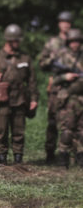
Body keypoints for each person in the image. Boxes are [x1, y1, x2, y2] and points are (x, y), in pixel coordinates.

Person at [0, 24, 38, 165]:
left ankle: (18, 158)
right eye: (15, 40)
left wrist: (34, 99)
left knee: (19, 131)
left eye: (19, 40)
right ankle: (2, 159)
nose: (18, 43)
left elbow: (32, 81)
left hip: (20, 99)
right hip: (2, 100)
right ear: (8, 40)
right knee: (2, 131)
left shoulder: (25, 58)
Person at [38, 10, 73, 164]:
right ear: (59, 24)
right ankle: (50, 152)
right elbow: (42, 63)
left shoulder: (76, 42)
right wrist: (51, 61)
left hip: (73, 86)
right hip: (57, 86)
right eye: (63, 22)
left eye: (68, 22)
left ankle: (71, 153)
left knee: (74, 121)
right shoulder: (52, 43)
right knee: (53, 120)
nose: (65, 24)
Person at [50, 27, 83, 169]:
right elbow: (55, 80)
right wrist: (66, 76)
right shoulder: (62, 57)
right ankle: (63, 160)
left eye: (77, 41)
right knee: (67, 131)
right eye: (72, 41)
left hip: (81, 98)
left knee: (81, 130)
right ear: (68, 42)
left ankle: (80, 159)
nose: (75, 44)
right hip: (68, 99)